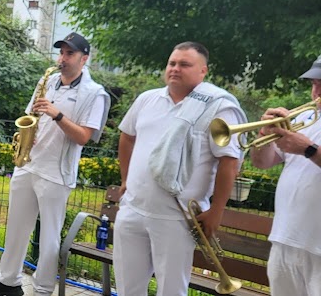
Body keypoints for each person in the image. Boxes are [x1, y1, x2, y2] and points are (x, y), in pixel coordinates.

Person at [0, 33, 110, 296]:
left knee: (49, 236)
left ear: (84, 59)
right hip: (29, 163)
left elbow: (84, 136)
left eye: (69, 54)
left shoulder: (95, 94)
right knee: (16, 226)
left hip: (56, 173)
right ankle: (9, 281)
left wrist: (56, 114)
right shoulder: (48, 80)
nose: (62, 58)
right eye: (61, 52)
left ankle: (42, 289)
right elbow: (30, 115)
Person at [112, 42, 246, 296]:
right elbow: (126, 136)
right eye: (172, 63)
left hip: (177, 217)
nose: (175, 69)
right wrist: (125, 179)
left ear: (203, 71)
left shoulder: (219, 106)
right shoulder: (147, 99)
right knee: (128, 290)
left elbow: (229, 162)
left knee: (172, 290)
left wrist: (217, 210)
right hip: (133, 209)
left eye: (184, 64)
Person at [250, 56, 321, 296]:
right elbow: (261, 163)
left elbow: (307, 150)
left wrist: (308, 149)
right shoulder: (303, 119)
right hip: (286, 239)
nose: (316, 91)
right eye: (314, 84)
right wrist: (263, 135)